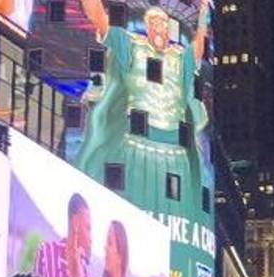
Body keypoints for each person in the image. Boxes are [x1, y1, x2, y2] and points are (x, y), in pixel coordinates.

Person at [75, 0, 210, 229]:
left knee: (172, 218)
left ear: (168, 28)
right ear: (147, 27)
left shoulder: (180, 58)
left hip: (175, 154)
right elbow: (98, 16)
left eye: (163, 23)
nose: (159, 27)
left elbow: (198, 49)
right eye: (154, 22)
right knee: (132, 215)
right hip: (137, 146)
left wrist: (204, 14)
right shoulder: (131, 47)